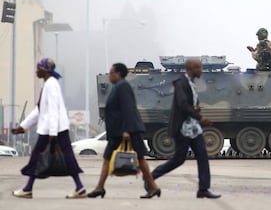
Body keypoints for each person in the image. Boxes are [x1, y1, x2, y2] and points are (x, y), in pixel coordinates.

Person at [146, 57, 221, 199]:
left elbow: (188, 104)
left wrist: (196, 109)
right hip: (183, 127)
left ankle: (203, 189)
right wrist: (199, 117)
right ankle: (149, 179)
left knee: (202, 156)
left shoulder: (190, 83)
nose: (201, 70)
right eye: (198, 67)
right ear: (191, 69)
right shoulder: (181, 83)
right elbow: (182, 104)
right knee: (178, 159)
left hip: (193, 127)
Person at [11, 58, 86, 199]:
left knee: (36, 156)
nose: (36, 71)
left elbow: (53, 110)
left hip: (52, 130)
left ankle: (28, 189)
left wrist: (52, 134)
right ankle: (79, 187)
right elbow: (40, 110)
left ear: (45, 70)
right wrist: (23, 126)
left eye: (38, 68)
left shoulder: (51, 85)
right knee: (67, 157)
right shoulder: (49, 84)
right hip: (56, 128)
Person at [87, 63, 160, 199]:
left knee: (140, 158)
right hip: (119, 131)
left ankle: (153, 187)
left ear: (118, 74)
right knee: (108, 158)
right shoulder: (118, 87)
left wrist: (127, 130)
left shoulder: (123, 86)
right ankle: (100, 187)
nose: (110, 75)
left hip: (127, 130)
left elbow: (128, 108)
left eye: (111, 73)